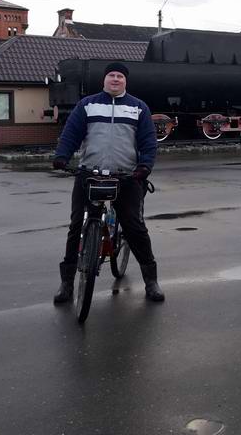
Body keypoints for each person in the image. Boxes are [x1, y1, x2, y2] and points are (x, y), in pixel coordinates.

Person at [51, 61, 165, 303]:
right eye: (111, 75)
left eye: (120, 76)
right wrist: (62, 156)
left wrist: (144, 167)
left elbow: (148, 141)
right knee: (75, 227)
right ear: (104, 80)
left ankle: (151, 280)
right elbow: (72, 133)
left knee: (134, 227)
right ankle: (67, 283)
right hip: (89, 173)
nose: (115, 79)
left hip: (127, 176)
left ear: (125, 81)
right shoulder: (87, 105)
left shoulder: (138, 108)